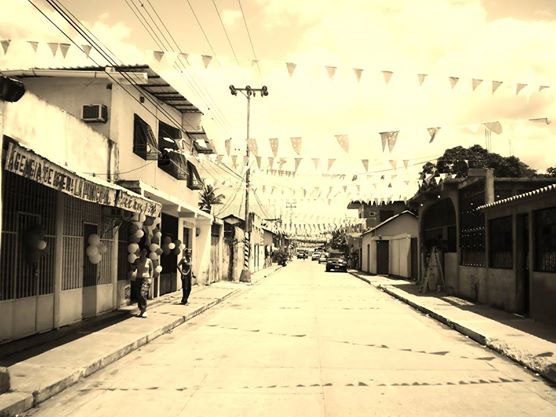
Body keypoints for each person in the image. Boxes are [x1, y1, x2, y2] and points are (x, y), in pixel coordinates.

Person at [135, 248, 153, 318]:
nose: (144, 253)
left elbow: (151, 270)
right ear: (140, 252)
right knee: (139, 295)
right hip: (138, 278)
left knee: (143, 294)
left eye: (145, 251)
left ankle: (144, 310)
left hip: (146, 278)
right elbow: (133, 268)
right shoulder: (137, 260)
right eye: (142, 251)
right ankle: (141, 310)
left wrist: (150, 279)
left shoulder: (149, 260)